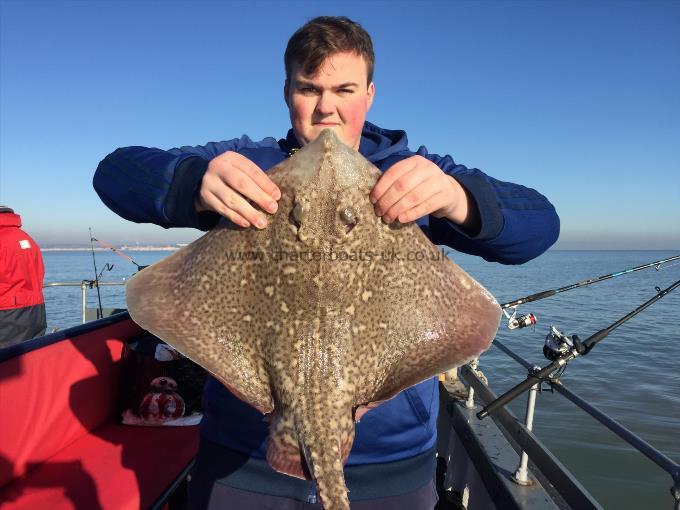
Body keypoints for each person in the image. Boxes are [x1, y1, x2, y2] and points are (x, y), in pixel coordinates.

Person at [94, 16, 559, 510]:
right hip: (242, 460)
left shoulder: (414, 175)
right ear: (287, 90)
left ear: (370, 94)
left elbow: (540, 226)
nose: (327, 108)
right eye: (309, 88)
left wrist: (459, 197)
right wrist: (190, 184)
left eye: (344, 89)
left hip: (392, 465)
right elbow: (115, 172)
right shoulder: (248, 165)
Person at [0, 206, 47, 348]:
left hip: (7, 311)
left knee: (7, 364)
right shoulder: (26, 238)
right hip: (36, 311)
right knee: (30, 356)